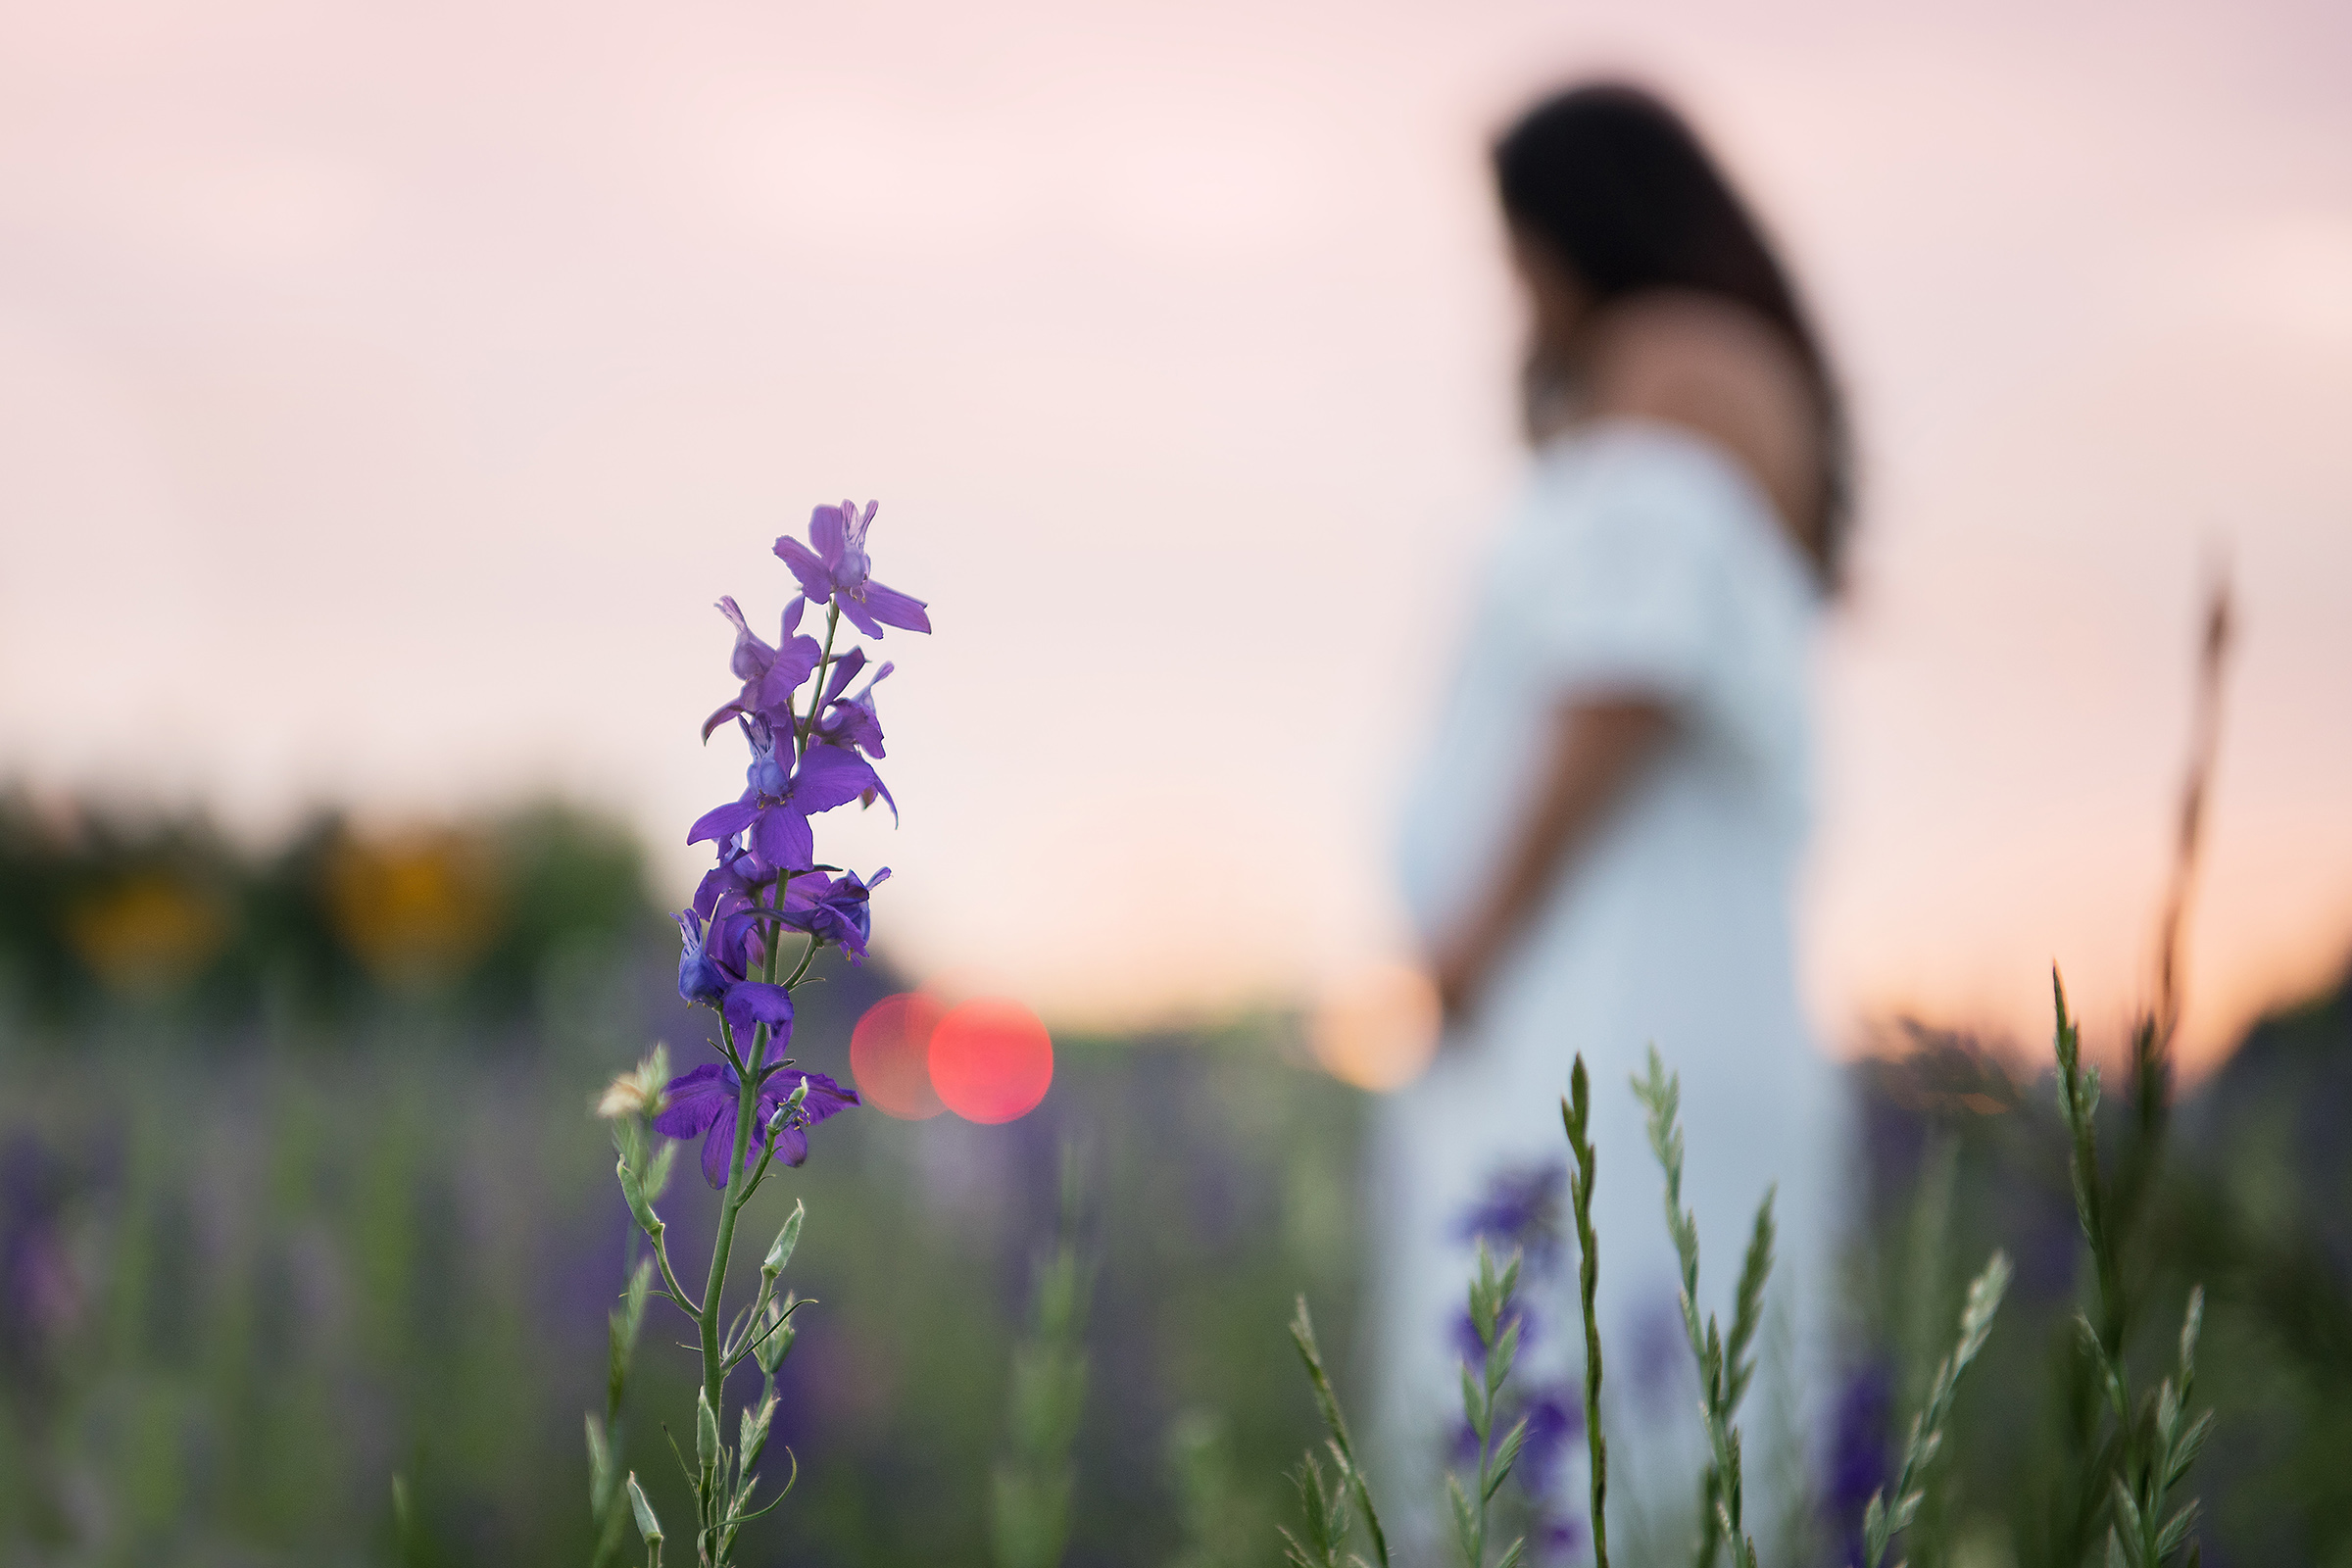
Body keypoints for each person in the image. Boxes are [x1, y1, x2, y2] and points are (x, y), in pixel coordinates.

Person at [1374, 82, 1852, 1558]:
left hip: (1600, 999)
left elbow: (1624, 675)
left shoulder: (1672, 365)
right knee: (1662, 1436)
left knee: (1582, 1431)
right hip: (1647, 996)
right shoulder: (1725, 370)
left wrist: (1473, 934)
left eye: (1514, 240)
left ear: (1579, 222)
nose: (1510, 280)